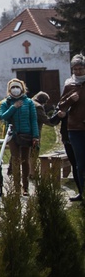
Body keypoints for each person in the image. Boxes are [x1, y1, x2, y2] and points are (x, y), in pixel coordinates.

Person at [0, 79, 39, 195]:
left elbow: (33, 120)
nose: (15, 89)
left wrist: (35, 136)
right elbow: (2, 117)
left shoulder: (29, 102)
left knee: (25, 161)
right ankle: (17, 187)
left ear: (22, 88)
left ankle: (25, 187)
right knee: (15, 160)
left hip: (26, 135)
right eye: (12, 87)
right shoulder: (5, 103)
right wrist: (14, 107)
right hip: (13, 135)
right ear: (9, 90)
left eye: (17, 87)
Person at [57, 54, 85, 206]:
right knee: (80, 163)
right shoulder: (69, 84)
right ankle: (82, 193)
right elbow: (60, 106)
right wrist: (69, 100)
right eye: (76, 69)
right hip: (75, 129)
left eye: (81, 68)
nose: (79, 72)